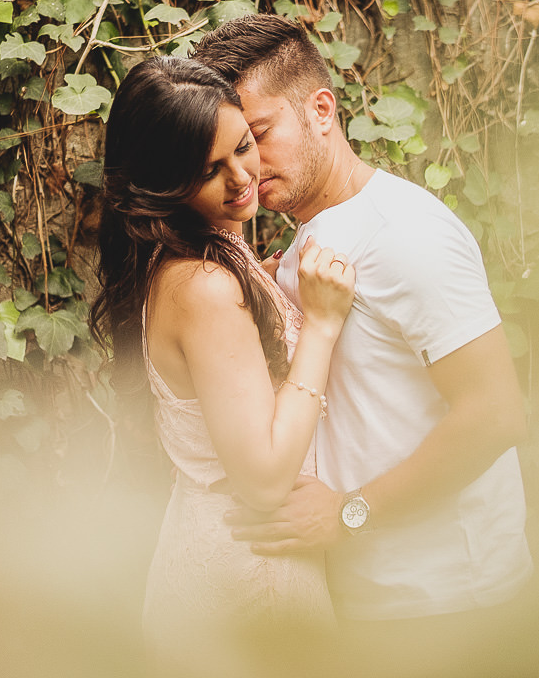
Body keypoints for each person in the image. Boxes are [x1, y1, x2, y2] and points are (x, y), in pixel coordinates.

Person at [192, 15, 533, 671]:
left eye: (260, 135)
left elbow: (495, 414)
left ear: (322, 110)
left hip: (448, 604)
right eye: (234, 145)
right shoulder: (302, 240)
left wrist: (348, 515)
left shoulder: (408, 233)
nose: (249, 165)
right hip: (363, 601)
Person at [88, 56, 355, 677]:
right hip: (249, 577)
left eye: (244, 146)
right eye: (210, 169)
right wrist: (318, 324)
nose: (242, 178)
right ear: (162, 182)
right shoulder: (204, 286)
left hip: (218, 550)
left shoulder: (199, 254)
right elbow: (262, 479)